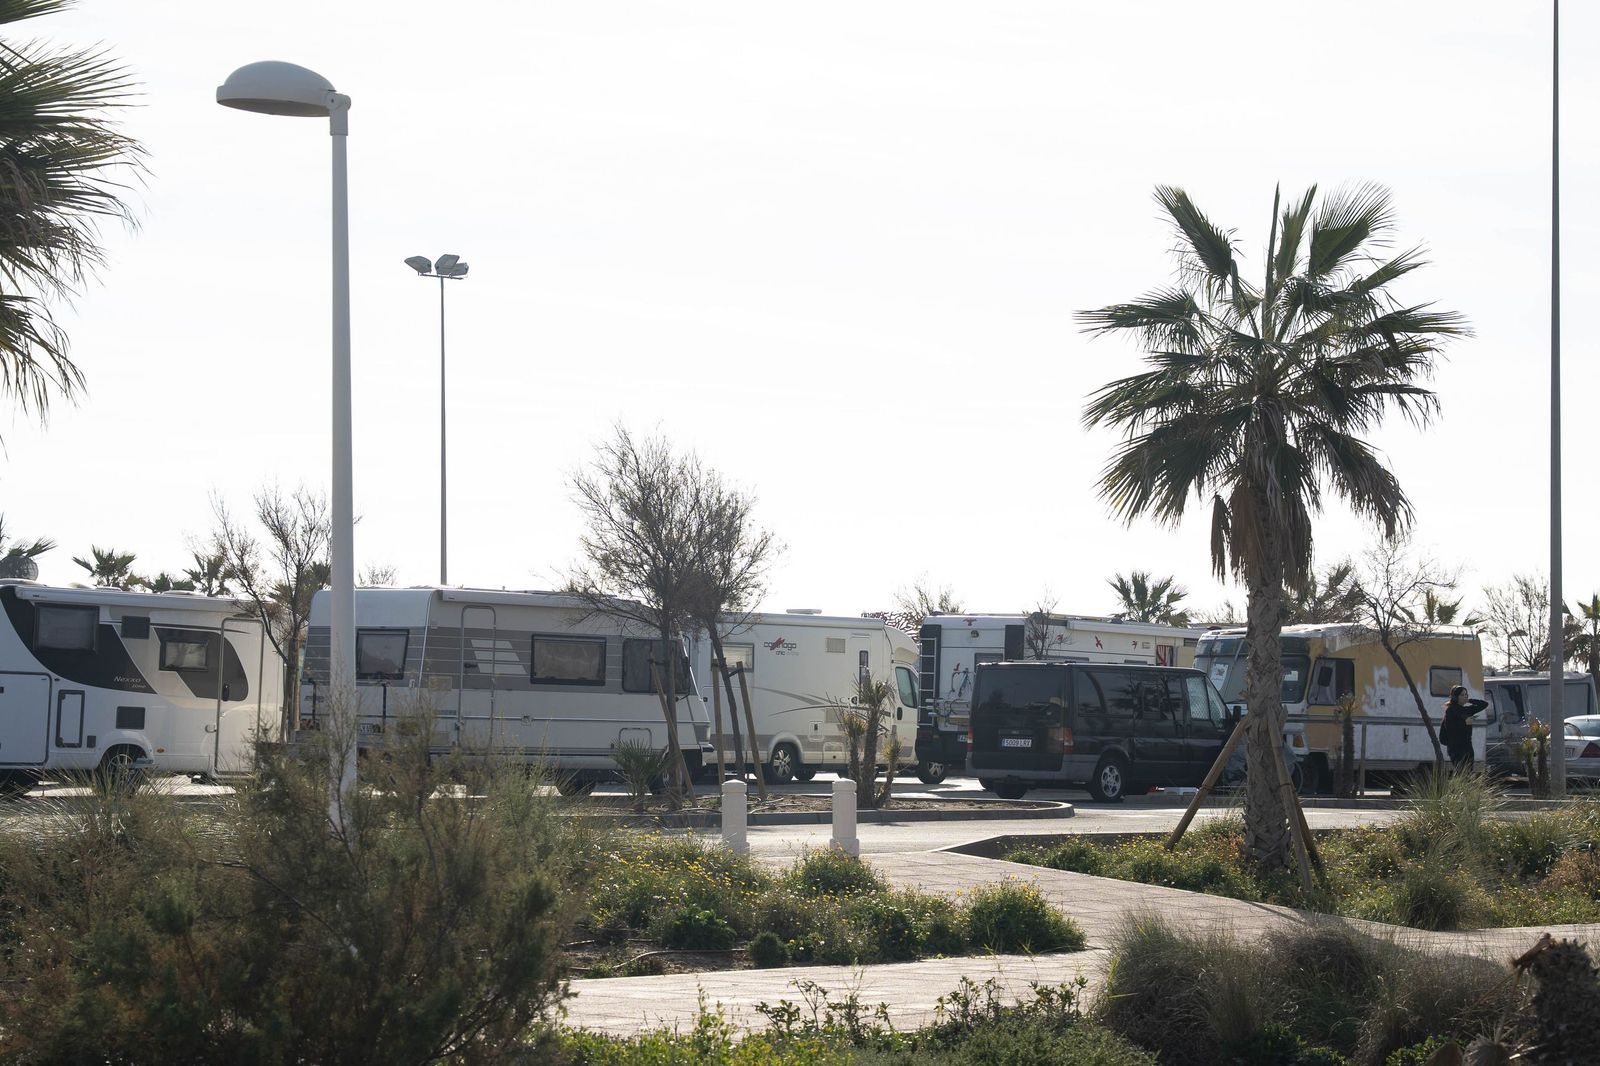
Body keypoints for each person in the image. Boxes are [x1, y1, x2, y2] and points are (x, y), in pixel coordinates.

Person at [1440, 685, 1488, 770]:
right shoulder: (1451, 710)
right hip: (1456, 748)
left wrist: (1469, 700)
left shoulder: (1467, 710)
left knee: (1469, 771)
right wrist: (1465, 723)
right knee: (1461, 770)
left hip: (1467, 746)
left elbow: (1484, 704)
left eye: (1466, 694)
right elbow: (1451, 729)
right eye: (1462, 695)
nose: (1465, 696)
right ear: (1455, 697)